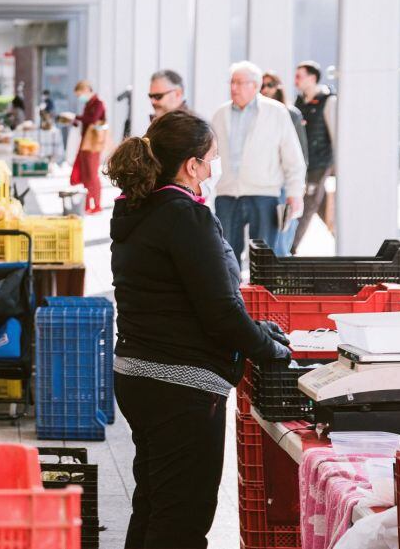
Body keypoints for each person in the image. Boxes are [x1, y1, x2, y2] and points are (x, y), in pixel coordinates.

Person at [105, 110, 291, 549]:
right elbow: (220, 312)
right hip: (181, 386)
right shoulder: (185, 217)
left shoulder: (137, 209)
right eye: (210, 159)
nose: (212, 168)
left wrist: (255, 329)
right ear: (191, 164)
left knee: (153, 504)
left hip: (136, 374)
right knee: (182, 521)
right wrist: (271, 349)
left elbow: (179, 297)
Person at [211, 62, 305, 262]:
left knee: (265, 258)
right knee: (226, 256)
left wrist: (295, 193)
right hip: (227, 194)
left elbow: (292, 157)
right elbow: (211, 154)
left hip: (265, 194)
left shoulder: (277, 112)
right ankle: (231, 293)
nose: (233, 88)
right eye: (232, 82)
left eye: (239, 83)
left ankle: (265, 293)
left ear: (255, 86)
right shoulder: (220, 114)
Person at [261, 72, 308, 256]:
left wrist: (297, 187)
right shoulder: (255, 115)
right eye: (262, 85)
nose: (265, 89)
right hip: (263, 184)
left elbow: (301, 154)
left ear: (278, 87)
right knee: (265, 240)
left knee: (282, 237)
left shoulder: (291, 113)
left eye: (270, 84)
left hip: (283, 185)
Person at [293, 61, 337, 253]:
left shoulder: (329, 101)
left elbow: (335, 133)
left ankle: (290, 248)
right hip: (303, 162)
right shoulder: (299, 102)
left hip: (320, 162)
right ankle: (342, 233)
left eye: (299, 76)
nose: (296, 80)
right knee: (321, 204)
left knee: (308, 202)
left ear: (312, 78)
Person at [71, 80, 107, 214]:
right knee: (85, 174)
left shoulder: (98, 103)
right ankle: (86, 205)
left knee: (92, 174)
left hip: (93, 144)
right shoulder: (88, 104)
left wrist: (76, 117)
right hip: (85, 142)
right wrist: (75, 120)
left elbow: (92, 120)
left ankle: (97, 205)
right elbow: (86, 120)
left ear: (86, 90)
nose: (80, 97)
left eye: (80, 94)